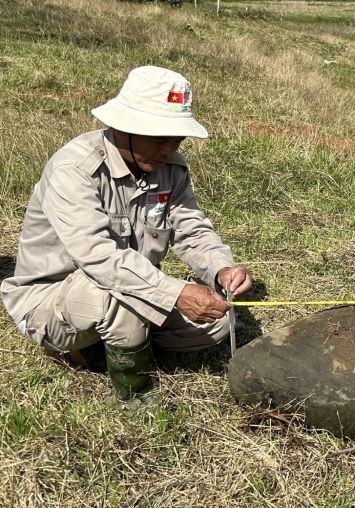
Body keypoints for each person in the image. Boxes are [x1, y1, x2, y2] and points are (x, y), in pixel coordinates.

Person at [1, 66, 252, 404]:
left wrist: (221, 269)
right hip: (54, 299)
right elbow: (99, 259)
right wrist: (175, 293)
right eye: (159, 138)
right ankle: (135, 395)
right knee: (116, 295)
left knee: (218, 324)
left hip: (130, 286)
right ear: (123, 129)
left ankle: (117, 344)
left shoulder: (171, 170)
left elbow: (191, 229)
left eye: (177, 139)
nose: (169, 150)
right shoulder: (74, 169)